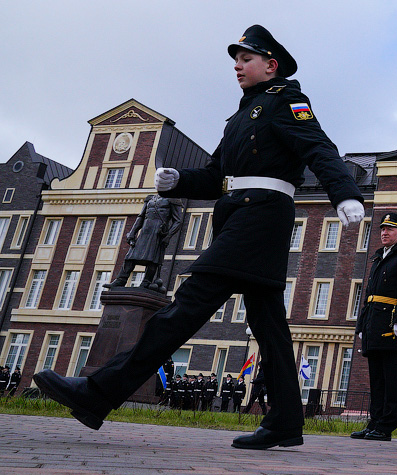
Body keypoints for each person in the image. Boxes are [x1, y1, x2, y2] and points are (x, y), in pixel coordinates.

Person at [33, 24, 366, 450]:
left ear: (271, 64)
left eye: (246, 59)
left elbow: (318, 148)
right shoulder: (238, 118)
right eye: (237, 59)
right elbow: (215, 177)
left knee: (186, 307)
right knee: (270, 327)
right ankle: (285, 420)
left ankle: (99, 392)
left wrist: (345, 194)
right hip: (239, 218)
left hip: (260, 219)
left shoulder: (288, 102)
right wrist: (178, 181)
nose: (237, 66)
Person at [352, 213, 397, 442]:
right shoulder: (378, 258)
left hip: (392, 323)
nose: (384, 232)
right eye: (382, 229)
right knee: (376, 378)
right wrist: (361, 325)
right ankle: (375, 421)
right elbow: (368, 295)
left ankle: (387, 425)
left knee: (390, 377)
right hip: (374, 322)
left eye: (390, 229)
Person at [104, 194, 183, 291]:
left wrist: (168, 236)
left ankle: (146, 282)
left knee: (152, 259)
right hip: (145, 231)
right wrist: (132, 232)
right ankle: (120, 280)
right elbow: (141, 217)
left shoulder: (173, 199)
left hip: (158, 233)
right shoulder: (150, 198)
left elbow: (178, 221)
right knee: (130, 257)